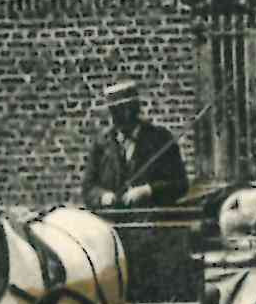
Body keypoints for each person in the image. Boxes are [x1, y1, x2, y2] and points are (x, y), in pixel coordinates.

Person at [81, 79, 189, 216]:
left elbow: (180, 184)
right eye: (117, 111)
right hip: (111, 222)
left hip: (152, 221)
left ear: (135, 109)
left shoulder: (161, 139)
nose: (124, 115)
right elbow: (88, 188)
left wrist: (148, 190)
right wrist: (103, 196)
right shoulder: (101, 144)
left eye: (128, 110)